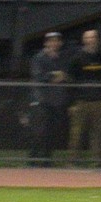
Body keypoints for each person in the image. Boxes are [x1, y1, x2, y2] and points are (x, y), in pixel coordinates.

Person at [66, 29, 101, 167]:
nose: (90, 40)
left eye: (93, 37)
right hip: (81, 101)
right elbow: (70, 80)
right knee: (77, 133)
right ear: (84, 40)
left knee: (99, 132)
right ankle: (72, 161)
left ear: (97, 39)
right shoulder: (77, 58)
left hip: (99, 101)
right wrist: (72, 102)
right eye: (88, 38)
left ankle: (98, 161)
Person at [27, 31, 70, 167]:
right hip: (41, 100)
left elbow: (66, 76)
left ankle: (46, 160)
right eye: (51, 41)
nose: (54, 43)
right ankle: (33, 160)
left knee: (52, 132)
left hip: (56, 101)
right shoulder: (39, 58)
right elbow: (38, 77)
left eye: (56, 41)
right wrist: (53, 76)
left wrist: (57, 77)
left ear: (60, 43)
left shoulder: (62, 58)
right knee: (39, 132)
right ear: (46, 43)